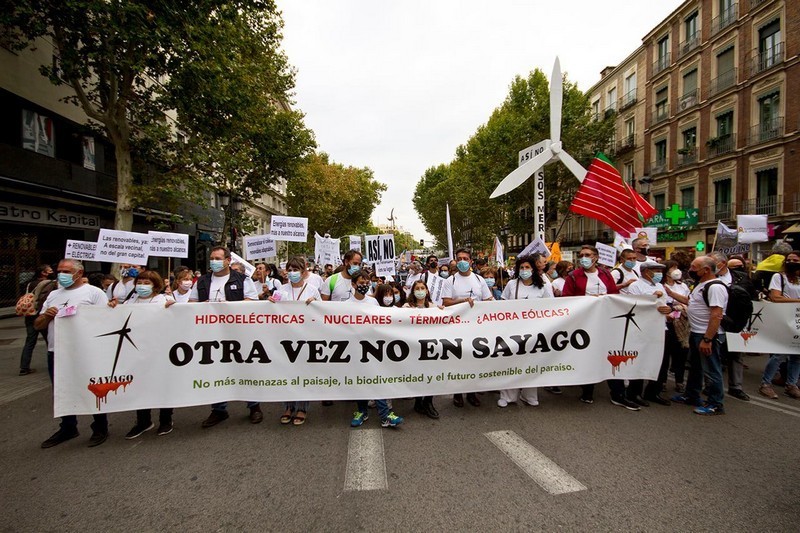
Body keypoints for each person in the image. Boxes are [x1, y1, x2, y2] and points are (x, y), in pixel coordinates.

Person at [36, 259, 109, 448]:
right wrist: (46, 316)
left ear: (79, 272)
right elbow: (38, 324)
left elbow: (107, 320)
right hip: (57, 352)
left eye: (66, 271)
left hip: (85, 351)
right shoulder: (53, 295)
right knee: (62, 391)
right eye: (59, 270)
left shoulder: (94, 293)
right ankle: (68, 427)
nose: (61, 274)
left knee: (94, 389)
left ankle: (100, 427)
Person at [189, 246, 262, 427]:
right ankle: (219, 409)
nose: (213, 261)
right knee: (215, 369)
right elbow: (191, 303)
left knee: (245, 367)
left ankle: (254, 406)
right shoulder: (202, 281)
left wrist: (229, 306)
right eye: (212, 258)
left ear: (228, 260)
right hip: (211, 334)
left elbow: (252, 302)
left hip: (239, 333)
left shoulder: (243, 279)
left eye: (218, 258)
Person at [562, 245, 640, 410]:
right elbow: (566, 299)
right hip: (584, 324)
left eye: (588, 255)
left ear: (596, 257)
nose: (584, 258)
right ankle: (587, 390)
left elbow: (614, 295)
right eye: (581, 255)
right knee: (588, 356)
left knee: (613, 355)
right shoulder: (573, 277)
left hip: (607, 322)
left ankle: (618, 394)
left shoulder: (605, 274)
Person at [108, 271, 176, 438]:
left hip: (159, 351)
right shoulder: (131, 301)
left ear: (155, 284)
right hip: (136, 351)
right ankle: (143, 421)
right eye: (140, 282)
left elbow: (175, 319)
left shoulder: (162, 300)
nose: (142, 286)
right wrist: (113, 308)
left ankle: (166, 420)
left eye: (147, 282)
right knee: (139, 385)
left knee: (161, 385)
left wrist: (172, 306)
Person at [672, 256, 728, 415]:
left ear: (706, 270)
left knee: (711, 369)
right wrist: (669, 292)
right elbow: (690, 302)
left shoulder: (715, 287)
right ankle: (691, 395)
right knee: (696, 367)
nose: (691, 270)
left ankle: (716, 404)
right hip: (696, 333)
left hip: (706, 335)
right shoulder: (701, 285)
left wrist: (708, 339)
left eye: (694, 267)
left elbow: (716, 315)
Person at [498, 255, 554, 408]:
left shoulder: (542, 286)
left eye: (527, 267)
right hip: (513, 330)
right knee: (511, 362)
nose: (524, 270)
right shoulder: (511, 284)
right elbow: (501, 305)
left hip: (535, 331)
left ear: (533, 269)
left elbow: (550, 307)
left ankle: (529, 394)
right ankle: (508, 396)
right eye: (521, 267)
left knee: (531, 363)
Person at [269, 257, 318, 425]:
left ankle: (302, 408)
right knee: (287, 372)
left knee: (302, 372)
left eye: (296, 269)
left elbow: (322, 312)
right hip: (285, 338)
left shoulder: (312, 289)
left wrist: (316, 303)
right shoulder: (281, 290)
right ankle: (288, 406)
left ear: (304, 271)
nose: (292, 273)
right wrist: (269, 303)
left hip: (305, 338)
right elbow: (273, 312)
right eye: (289, 270)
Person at [442, 248, 493, 407]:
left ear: (471, 261)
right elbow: (446, 302)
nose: (462, 261)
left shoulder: (479, 280)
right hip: (457, 328)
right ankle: (458, 394)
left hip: (477, 327)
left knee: (474, 359)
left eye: (465, 258)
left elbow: (488, 299)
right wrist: (463, 301)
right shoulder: (450, 281)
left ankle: (471, 392)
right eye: (459, 258)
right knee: (459, 360)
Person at [624, 260, 672, 406]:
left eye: (660, 270)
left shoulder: (660, 286)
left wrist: (668, 310)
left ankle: (653, 391)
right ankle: (634, 392)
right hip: (642, 328)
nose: (659, 273)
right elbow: (633, 305)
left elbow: (666, 304)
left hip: (661, 328)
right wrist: (651, 298)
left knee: (662, 361)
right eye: (655, 270)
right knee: (641, 360)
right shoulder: (635, 286)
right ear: (646, 271)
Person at [709, 251, 753, 401]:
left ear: (722, 264)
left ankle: (736, 387)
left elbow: (750, 297)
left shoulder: (742, 278)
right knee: (714, 354)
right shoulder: (708, 277)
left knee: (736, 355)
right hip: (716, 319)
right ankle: (711, 385)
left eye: (712, 263)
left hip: (735, 321)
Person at [759, 250, 800, 400]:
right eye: (789, 259)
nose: (792, 262)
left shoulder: (799, 279)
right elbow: (775, 297)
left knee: (797, 355)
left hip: (797, 319)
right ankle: (765, 384)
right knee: (779, 354)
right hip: (783, 318)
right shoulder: (779, 277)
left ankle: (791, 384)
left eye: (795, 260)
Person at [404, 280, 440, 418]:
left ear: (427, 291)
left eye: (422, 288)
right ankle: (418, 402)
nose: (420, 290)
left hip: (430, 347)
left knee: (431, 374)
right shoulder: (407, 307)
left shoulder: (433, 307)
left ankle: (428, 402)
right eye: (417, 288)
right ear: (413, 291)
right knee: (418, 375)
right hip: (414, 348)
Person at [19, 264, 54, 376]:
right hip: (42, 315)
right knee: (50, 340)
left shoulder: (30, 283)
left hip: (30, 314)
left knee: (30, 341)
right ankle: (55, 362)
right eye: (49, 270)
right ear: (43, 273)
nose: (52, 271)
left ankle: (24, 367)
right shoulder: (49, 283)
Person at [663, 260, 690, 393]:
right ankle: (661, 380)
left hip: (681, 322)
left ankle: (680, 381)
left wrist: (676, 306)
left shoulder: (683, 286)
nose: (676, 270)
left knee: (681, 353)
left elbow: (687, 302)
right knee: (665, 353)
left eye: (676, 267)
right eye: (673, 267)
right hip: (667, 323)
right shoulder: (660, 286)